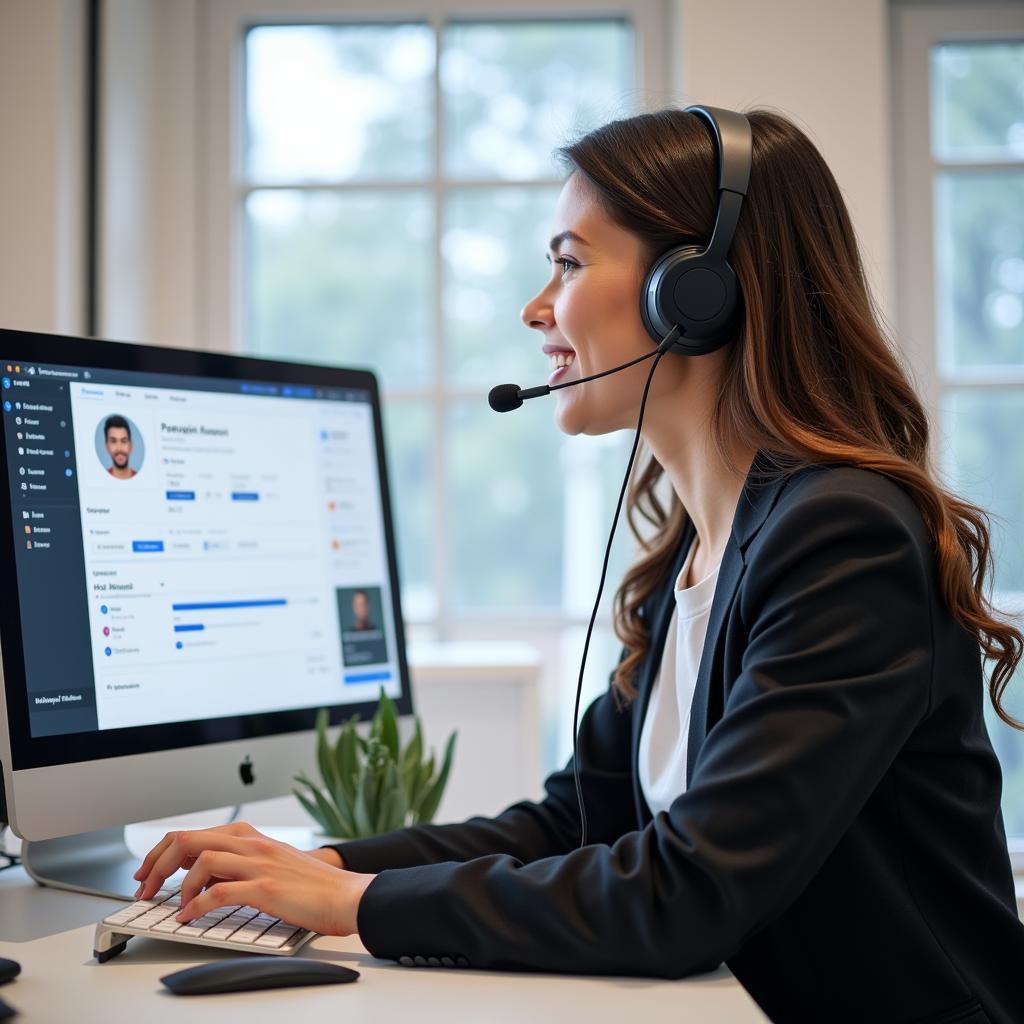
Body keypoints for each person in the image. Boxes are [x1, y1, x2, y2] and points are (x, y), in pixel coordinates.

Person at [131, 106, 1024, 1022]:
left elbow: (688, 894)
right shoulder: (700, 541)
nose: (534, 306)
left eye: (567, 261)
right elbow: (572, 822)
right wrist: (324, 867)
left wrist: (352, 906)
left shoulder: (845, 537)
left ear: (694, 292)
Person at [103, 414, 138, 479]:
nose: (119, 448)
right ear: (106, 447)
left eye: (124, 441)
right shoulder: (100, 478)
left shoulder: (142, 478)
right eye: (113, 441)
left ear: (131, 446)